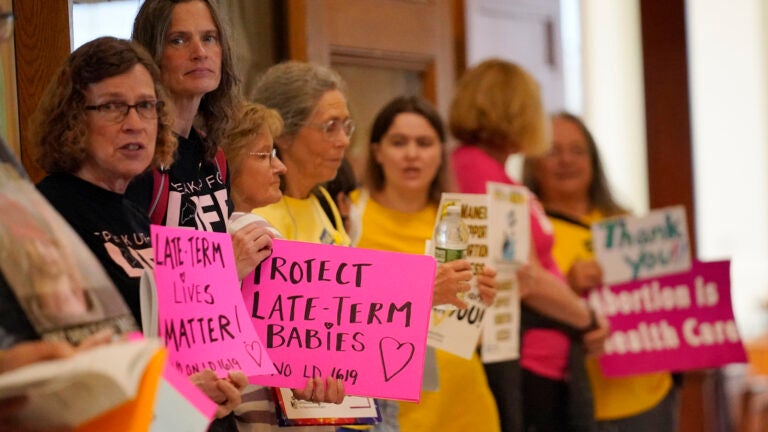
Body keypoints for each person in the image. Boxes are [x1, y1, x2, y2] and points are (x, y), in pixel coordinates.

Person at [29, 36, 247, 424]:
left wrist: (206, 394)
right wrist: (178, 397)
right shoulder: (45, 215)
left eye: (146, 106)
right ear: (73, 118)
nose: (134, 123)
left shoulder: (136, 214)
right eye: (113, 106)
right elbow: (67, 383)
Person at [449, 58, 609, 432]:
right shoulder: (479, 171)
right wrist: (585, 318)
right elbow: (524, 274)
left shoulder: (493, 170)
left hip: (543, 355)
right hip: (525, 358)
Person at [523, 112, 678, 432]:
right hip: (576, 399)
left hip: (650, 394)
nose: (566, 160)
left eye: (577, 151)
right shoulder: (528, 230)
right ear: (534, 163)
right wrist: (568, 286)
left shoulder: (627, 223)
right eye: (553, 151)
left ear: (593, 161)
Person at [352, 95, 499, 432]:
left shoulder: (463, 220)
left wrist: (485, 302)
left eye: (424, 143)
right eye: (399, 142)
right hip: (386, 408)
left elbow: (472, 334)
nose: (412, 154)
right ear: (377, 152)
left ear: (441, 153)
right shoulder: (351, 218)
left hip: (463, 403)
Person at [222, 102, 345, 431]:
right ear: (225, 163)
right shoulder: (256, 236)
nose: (279, 166)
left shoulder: (212, 236)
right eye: (263, 155)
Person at [129, 0, 270, 280]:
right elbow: (134, 281)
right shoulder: (137, 158)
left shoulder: (214, 157)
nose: (200, 52)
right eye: (178, 40)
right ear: (151, 56)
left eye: (209, 38)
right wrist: (226, 270)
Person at [250, 61, 352, 247]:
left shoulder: (323, 199)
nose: (344, 141)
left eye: (346, 126)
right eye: (330, 127)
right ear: (283, 133)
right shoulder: (257, 217)